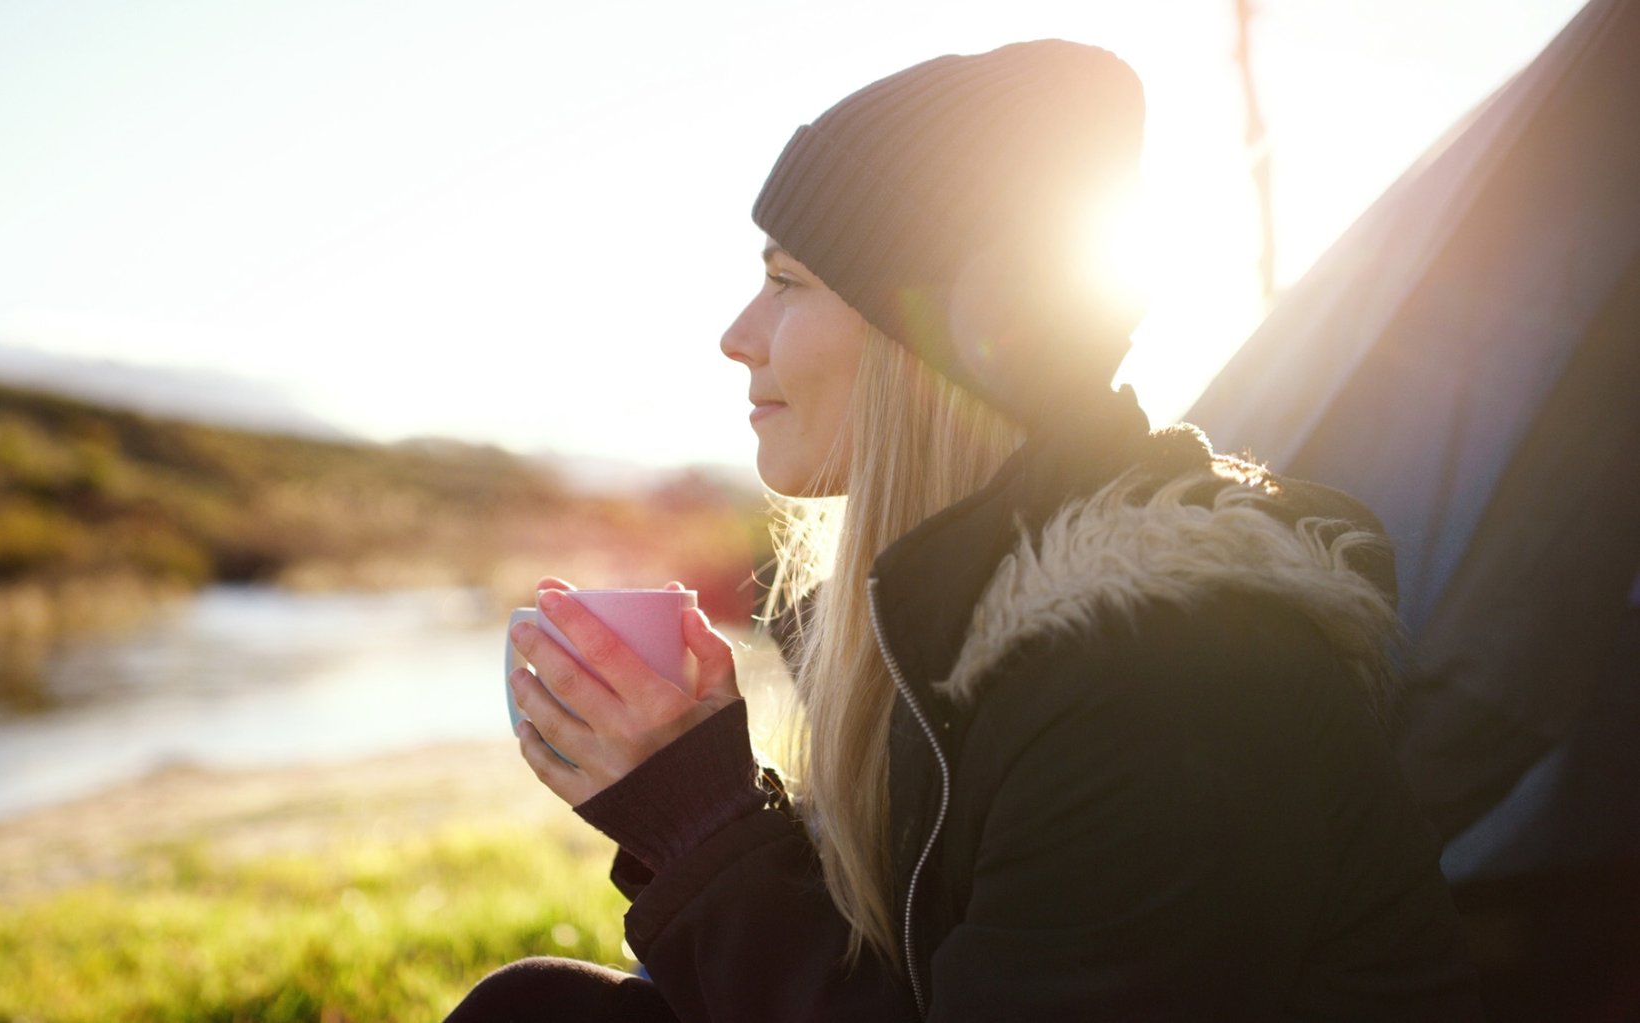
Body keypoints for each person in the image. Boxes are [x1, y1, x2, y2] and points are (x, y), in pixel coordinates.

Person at [448, 39, 1482, 1021]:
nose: (736, 335)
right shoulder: (960, 612)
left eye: (787, 282)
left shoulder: (1165, 678)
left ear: (934, 344)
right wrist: (701, 799)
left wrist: (702, 827)